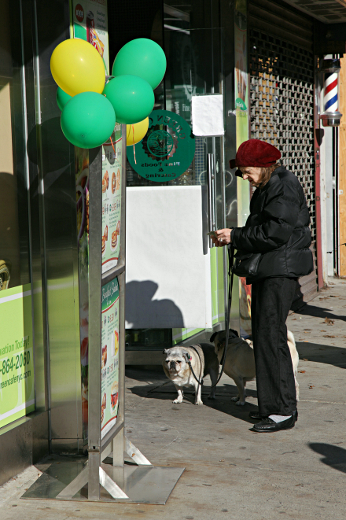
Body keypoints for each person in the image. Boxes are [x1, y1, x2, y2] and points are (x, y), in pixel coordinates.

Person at [212, 139, 313, 432]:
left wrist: (236, 235)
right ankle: (272, 407)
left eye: (245, 171)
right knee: (266, 338)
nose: (244, 177)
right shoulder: (271, 186)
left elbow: (275, 233)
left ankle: (282, 411)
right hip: (272, 270)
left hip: (278, 272)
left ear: (262, 166)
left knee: (271, 338)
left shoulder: (282, 185)